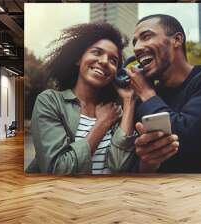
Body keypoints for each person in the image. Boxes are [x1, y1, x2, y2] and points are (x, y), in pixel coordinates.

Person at [127, 14, 201, 173]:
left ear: (177, 40)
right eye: (135, 42)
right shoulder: (143, 99)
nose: (137, 48)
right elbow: (134, 160)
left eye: (146, 36)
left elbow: (189, 140)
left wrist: (146, 92)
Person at [26, 23, 136, 174]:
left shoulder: (115, 111)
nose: (104, 61)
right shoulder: (50, 101)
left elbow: (119, 167)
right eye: (97, 52)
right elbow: (58, 170)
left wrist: (129, 101)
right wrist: (102, 123)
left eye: (113, 60)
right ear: (78, 59)